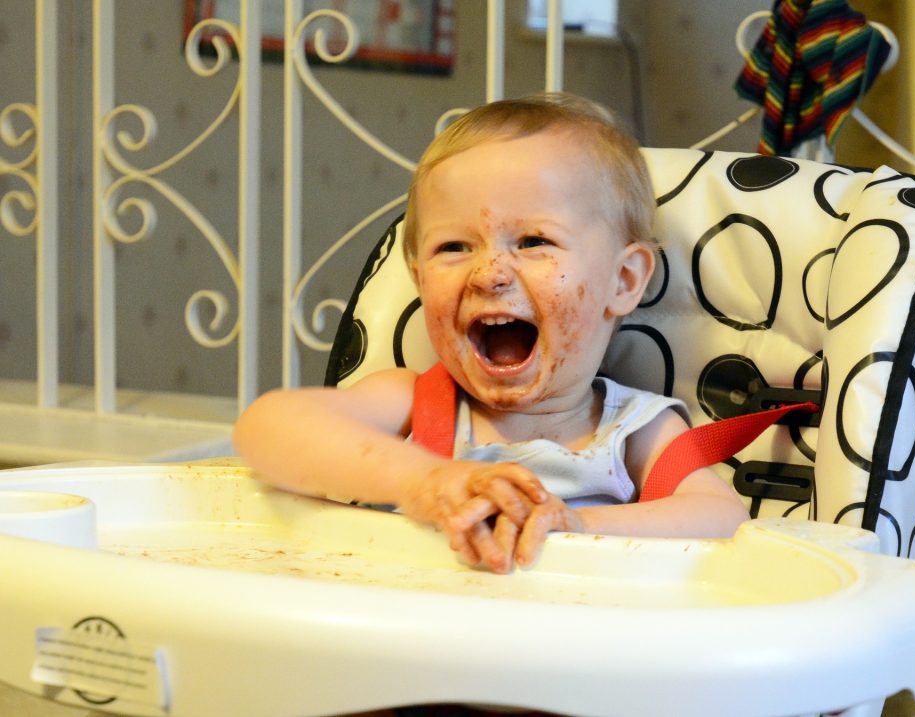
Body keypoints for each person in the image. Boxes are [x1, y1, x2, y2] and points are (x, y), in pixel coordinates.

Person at [233, 93, 749, 575]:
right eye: (454, 247)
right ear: (418, 279)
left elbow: (723, 521)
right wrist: (424, 481)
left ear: (623, 280)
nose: (490, 273)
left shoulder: (634, 431)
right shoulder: (413, 405)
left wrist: (575, 528)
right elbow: (265, 430)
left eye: (533, 241)